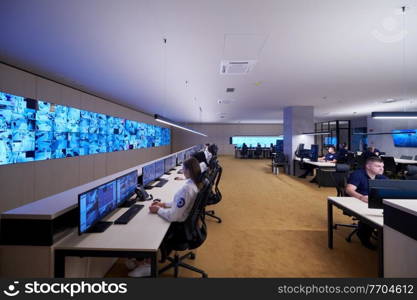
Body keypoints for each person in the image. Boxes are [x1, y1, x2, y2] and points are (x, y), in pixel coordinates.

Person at [127, 157, 203, 277]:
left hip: (179, 228)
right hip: (186, 224)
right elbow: (180, 203)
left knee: (148, 225)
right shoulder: (193, 184)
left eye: (183, 169)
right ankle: (141, 261)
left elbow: (173, 216)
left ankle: (148, 265)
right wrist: (164, 204)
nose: (182, 171)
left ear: (188, 171)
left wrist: (158, 210)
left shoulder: (187, 189)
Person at [345, 156, 387, 250]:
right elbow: (349, 190)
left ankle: (381, 233)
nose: (381, 169)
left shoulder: (382, 177)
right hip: (358, 201)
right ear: (368, 166)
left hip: (375, 202)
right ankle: (364, 237)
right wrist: (361, 197)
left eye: (382, 166)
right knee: (371, 214)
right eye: (378, 166)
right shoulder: (358, 174)